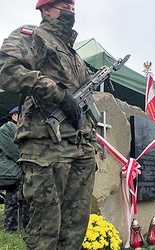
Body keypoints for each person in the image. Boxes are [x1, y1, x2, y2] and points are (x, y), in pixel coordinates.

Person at [0, 1, 97, 248]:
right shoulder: (35, 35)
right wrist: (58, 94)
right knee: (46, 230)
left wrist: (90, 137)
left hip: (79, 148)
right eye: (63, 5)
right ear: (45, 9)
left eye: (73, 6)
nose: (70, 10)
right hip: (46, 147)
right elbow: (6, 68)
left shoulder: (74, 55)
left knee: (75, 229)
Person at [0, 107, 30, 232]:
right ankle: (10, 229)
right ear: (14, 116)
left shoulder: (24, 130)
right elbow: (13, 151)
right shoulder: (5, 130)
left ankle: (25, 227)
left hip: (23, 169)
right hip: (13, 171)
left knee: (26, 200)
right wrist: (29, 159)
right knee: (12, 200)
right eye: (20, 115)